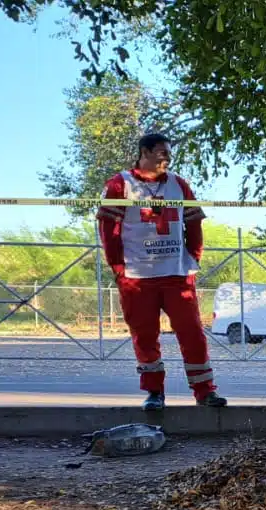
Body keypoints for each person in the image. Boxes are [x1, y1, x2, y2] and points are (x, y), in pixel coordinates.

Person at [98, 133, 226, 410]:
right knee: (144, 335)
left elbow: (194, 223)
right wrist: (119, 268)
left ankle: (204, 391)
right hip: (136, 277)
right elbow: (109, 230)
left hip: (176, 274)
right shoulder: (120, 184)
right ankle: (154, 392)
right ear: (144, 152)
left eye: (169, 153)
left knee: (192, 333)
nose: (167, 157)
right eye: (161, 152)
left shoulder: (178, 184)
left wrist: (193, 258)